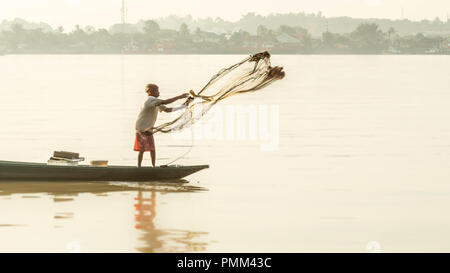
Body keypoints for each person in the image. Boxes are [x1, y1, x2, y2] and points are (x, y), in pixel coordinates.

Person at [134, 83, 189, 167]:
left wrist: (183, 106)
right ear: (151, 92)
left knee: (152, 149)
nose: (159, 92)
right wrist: (180, 96)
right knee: (142, 149)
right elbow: (166, 101)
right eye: (157, 91)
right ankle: (139, 168)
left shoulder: (156, 102)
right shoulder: (151, 100)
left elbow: (168, 110)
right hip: (141, 128)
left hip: (148, 128)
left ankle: (153, 167)